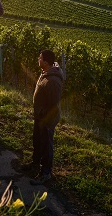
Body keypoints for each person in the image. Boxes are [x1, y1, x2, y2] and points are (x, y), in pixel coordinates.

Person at [30, 49, 65, 185]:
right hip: (40, 116)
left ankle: (46, 173)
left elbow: (53, 105)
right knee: (37, 141)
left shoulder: (53, 81)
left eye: (40, 58)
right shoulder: (46, 72)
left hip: (46, 119)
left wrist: (44, 117)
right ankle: (35, 164)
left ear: (46, 62)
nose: (38, 59)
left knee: (46, 145)